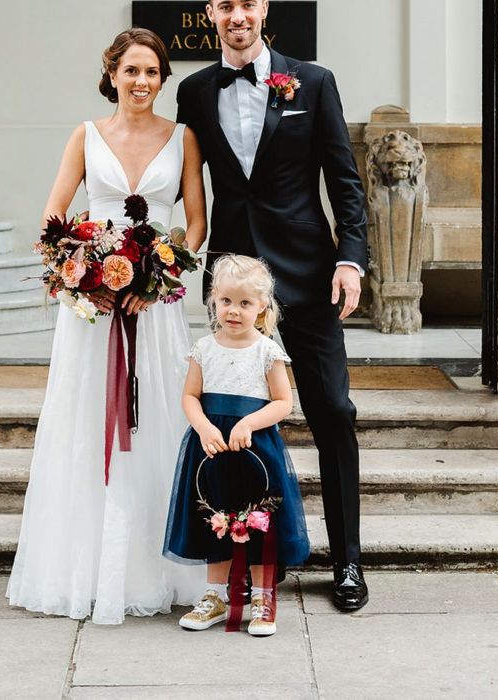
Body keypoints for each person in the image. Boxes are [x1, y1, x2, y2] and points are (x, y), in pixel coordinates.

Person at [7, 28, 207, 623]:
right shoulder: (85, 136)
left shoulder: (183, 138)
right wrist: (79, 272)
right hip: (92, 312)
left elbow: (195, 223)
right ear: (112, 74)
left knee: (161, 417)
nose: (142, 82)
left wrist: (162, 275)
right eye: (132, 71)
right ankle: (84, 568)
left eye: (152, 72)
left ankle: (156, 566)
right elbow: (53, 214)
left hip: (157, 304)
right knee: (87, 417)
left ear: (162, 79)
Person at [176, 0, 370, 611]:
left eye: (247, 3)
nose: (238, 15)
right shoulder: (194, 91)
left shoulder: (313, 81)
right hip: (234, 289)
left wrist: (350, 256)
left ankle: (347, 563)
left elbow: (344, 178)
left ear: (263, 9)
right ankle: (245, 562)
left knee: (333, 411)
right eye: (225, 4)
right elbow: (177, 179)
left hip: (309, 277)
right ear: (212, 12)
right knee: (231, 426)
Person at [164, 255, 310, 636]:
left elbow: (282, 402)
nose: (234, 310)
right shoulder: (204, 348)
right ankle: (214, 596)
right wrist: (202, 427)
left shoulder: (267, 351)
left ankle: (262, 599)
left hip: (255, 450)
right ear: (213, 299)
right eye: (227, 301)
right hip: (211, 448)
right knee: (217, 521)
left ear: (262, 307)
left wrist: (249, 421)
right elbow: (190, 396)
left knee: (258, 523)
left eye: (245, 303)